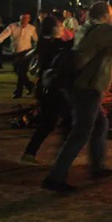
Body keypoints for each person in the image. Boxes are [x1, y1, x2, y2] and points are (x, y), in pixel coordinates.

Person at [42, 1, 112, 193]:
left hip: (80, 85)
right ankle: (55, 177)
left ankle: (97, 166)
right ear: (105, 15)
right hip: (88, 87)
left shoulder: (85, 28)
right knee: (81, 131)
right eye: (111, 14)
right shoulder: (101, 30)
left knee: (100, 124)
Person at [22, 16, 73, 164]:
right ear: (54, 29)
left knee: (49, 122)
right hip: (53, 90)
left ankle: (30, 152)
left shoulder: (45, 42)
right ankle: (61, 157)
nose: (62, 29)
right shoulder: (53, 44)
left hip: (47, 89)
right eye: (60, 26)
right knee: (67, 120)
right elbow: (70, 46)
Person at [0, 13, 38, 98]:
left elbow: (36, 39)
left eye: (26, 19)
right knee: (17, 71)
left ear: (29, 19)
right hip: (15, 52)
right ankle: (30, 86)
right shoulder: (12, 26)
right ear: (20, 19)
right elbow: (4, 34)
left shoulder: (31, 28)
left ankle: (18, 92)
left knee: (21, 72)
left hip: (26, 52)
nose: (24, 21)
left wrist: (37, 48)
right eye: (23, 19)